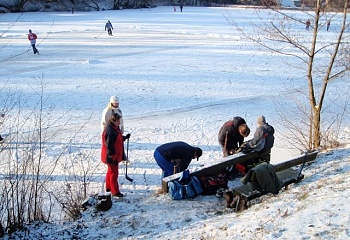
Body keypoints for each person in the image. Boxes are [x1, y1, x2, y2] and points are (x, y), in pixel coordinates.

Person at [101, 111, 131, 197]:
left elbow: (117, 139)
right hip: (111, 156)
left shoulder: (113, 127)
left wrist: (124, 137)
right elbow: (109, 146)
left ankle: (109, 187)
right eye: (118, 121)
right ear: (114, 120)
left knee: (110, 171)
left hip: (112, 155)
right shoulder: (110, 131)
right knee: (114, 173)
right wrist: (112, 157)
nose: (120, 123)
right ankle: (115, 191)